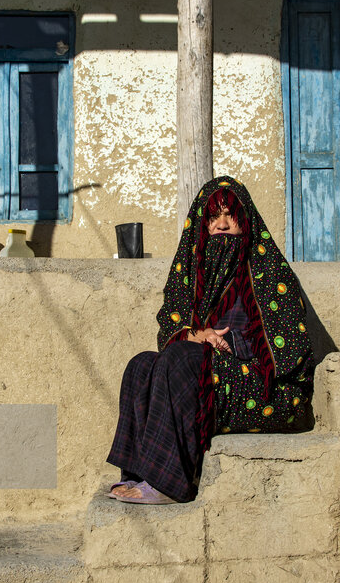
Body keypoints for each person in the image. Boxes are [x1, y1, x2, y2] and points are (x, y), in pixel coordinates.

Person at [106, 176, 315, 504]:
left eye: (229, 216)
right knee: (142, 364)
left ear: (244, 223)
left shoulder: (271, 273)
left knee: (183, 359)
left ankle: (169, 484)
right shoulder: (191, 276)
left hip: (265, 387)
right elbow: (170, 330)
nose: (221, 225)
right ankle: (139, 472)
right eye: (213, 217)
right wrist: (195, 335)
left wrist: (231, 344)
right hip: (206, 374)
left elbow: (292, 347)